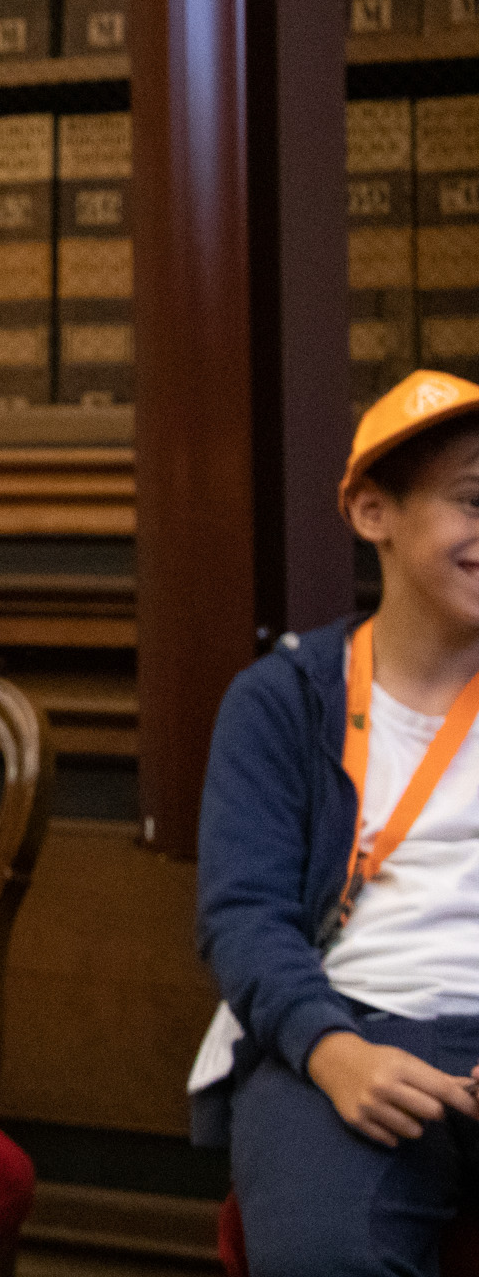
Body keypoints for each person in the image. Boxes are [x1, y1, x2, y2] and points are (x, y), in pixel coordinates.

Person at [197, 368, 479, 1270]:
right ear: (372, 513)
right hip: (347, 1025)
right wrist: (331, 1050)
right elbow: (243, 917)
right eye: (473, 501)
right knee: (327, 1254)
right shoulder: (283, 701)